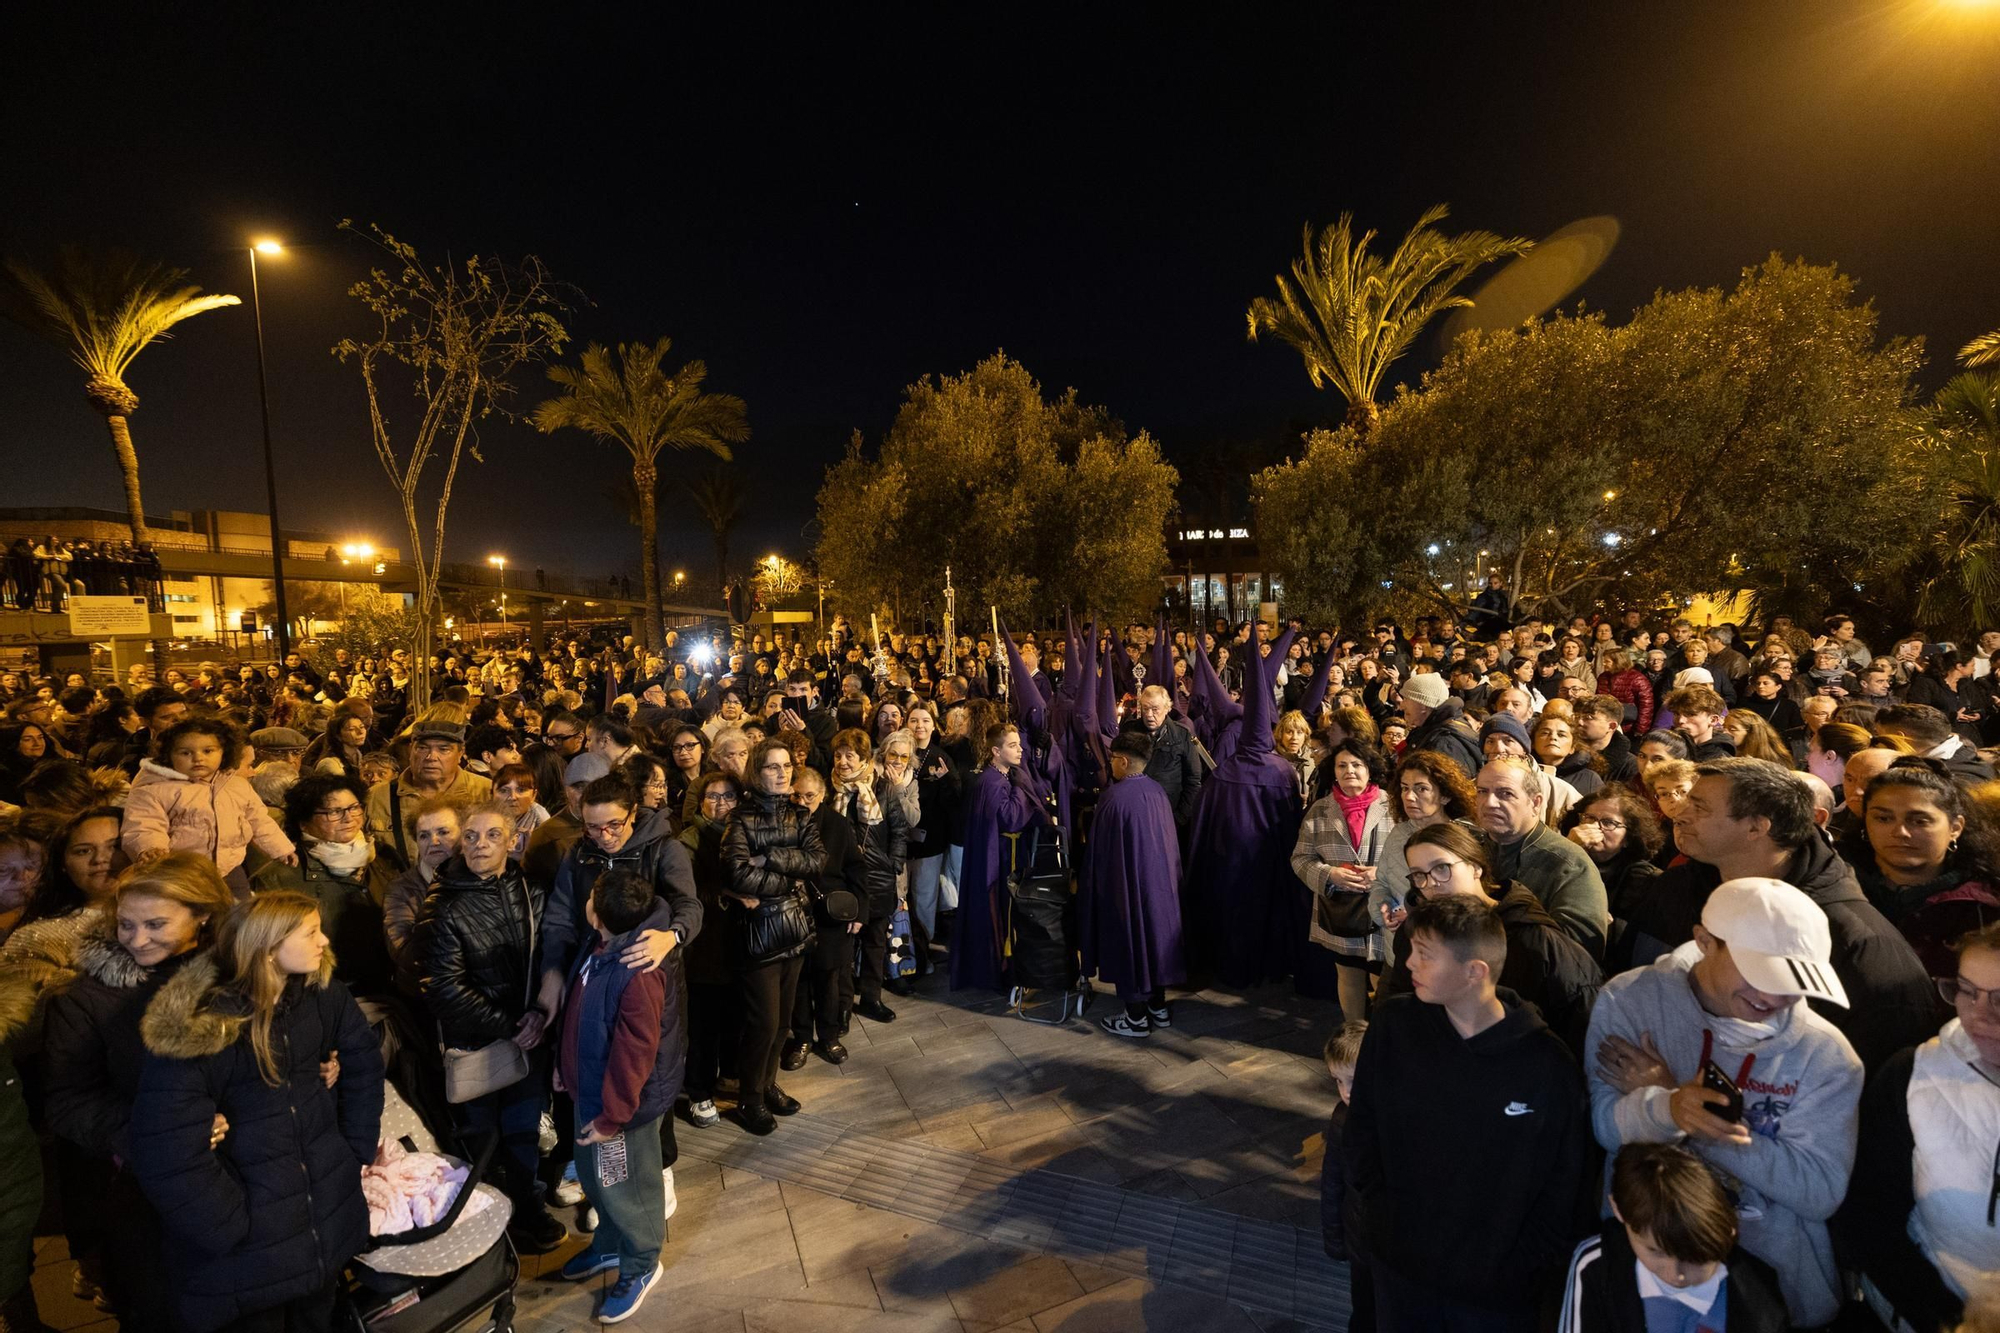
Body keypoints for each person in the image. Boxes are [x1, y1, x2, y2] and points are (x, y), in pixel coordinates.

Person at [1586, 877, 1863, 1329]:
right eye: (1759, 974)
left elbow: (1819, 1191)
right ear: (1704, 941)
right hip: (1649, 1264)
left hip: (1773, 1287)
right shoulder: (1629, 1000)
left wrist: (1683, 1113)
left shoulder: (1826, 1055)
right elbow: (1606, 1127)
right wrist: (1670, 1108)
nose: (1773, 998)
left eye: (1794, 982)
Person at [130, 890, 386, 1333]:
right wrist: (229, 1225)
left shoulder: (321, 994)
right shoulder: (205, 1025)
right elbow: (166, 1147)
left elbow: (363, 1062)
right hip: (249, 1248)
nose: (324, 941)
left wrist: (353, 1151)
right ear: (269, 948)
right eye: (311, 932)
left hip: (322, 1219)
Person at [1345, 893, 1591, 1332]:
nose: (1408, 965)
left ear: (1474, 971)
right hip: (1400, 1271)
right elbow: (1362, 1123)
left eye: (1425, 955)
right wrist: (1382, 1220)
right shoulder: (1394, 1026)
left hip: (1497, 1293)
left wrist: (1523, 1264)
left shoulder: (1545, 1065)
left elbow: (1564, 1180)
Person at [1629, 757, 1937, 1072]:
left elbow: (1880, 1077)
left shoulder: (1859, 941)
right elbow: (1633, 987)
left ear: (1756, 827)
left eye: (1700, 807)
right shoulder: (1675, 889)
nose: (1679, 815)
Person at [38, 854, 234, 1329]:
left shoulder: (242, 973)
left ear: (203, 914)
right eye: (126, 924)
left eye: (155, 923)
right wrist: (156, 1132)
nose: (137, 938)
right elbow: (66, 1099)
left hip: (251, 1173)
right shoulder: (89, 996)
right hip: (151, 1193)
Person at [414, 802, 568, 1254]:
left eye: (493, 836)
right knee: (480, 1137)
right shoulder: (443, 903)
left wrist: (540, 1016)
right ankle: (486, 1217)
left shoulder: (532, 890)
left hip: (530, 1038)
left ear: (513, 841)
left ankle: (526, 1208)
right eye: (472, 836)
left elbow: (553, 954)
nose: (481, 845)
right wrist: (510, 1025)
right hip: (479, 1042)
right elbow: (442, 987)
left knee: (522, 1130)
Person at [1844, 922, 2000, 1332]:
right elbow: (1870, 1218)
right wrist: (1947, 1320)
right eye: (1966, 989)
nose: (1978, 1014)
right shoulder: (1912, 1076)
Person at [551, 868, 676, 1324]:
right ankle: (609, 1245)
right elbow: (578, 1016)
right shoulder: (599, 946)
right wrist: (564, 1071)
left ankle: (641, 1263)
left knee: (628, 1189)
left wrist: (613, 1115)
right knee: (595, 1178)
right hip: (588, 1092)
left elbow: (635, 1053)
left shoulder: (638, 972)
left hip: (619, 1109)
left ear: (596, 913)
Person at [1379, 821, 1602, 1056]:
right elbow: (1401, 1004)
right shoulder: (1414, 934)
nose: (1432, 883)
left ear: (1476, 867)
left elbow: (1583, 1022)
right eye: (1418, 875)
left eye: (1442, 868)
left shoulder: (1537, 940)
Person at [1557, 1143, 1790, 1333]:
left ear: (1727, 1234)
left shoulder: (1760, 1297)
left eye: (1695, 1259)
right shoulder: (1597, 1266)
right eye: (1655, 1251)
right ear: (1619, 1212)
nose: (1675, 1275)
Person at [721, 737, 824, 1135]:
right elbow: (736, 873)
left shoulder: (800, 815)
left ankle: (765, 1086)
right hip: (759, 929)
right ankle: (749, 1098)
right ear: (757, 772)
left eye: (786, 767)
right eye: (771, 767)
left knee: (783, 1021)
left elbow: (816, 861)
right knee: (762, 1021)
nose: (781, 773)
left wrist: (772, 858)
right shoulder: (741, 818)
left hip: (795, 927)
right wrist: (788, 877)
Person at [1850, 757, 2000, 980]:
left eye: (1919, 821)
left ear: (1955, 828)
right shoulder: (1839, 888)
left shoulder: (1985, 907)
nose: (1900, 831)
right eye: (1883, 818)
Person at [1085, 726, 1187, 1037]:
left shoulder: (1113, 797)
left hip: (1126, 887)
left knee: (1130, 944)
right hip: (1160, 888)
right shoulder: (1157, 791)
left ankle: (1135, 1018)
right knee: (1154, 943)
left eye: (1113, 758)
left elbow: (1100, 852)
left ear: (1124, 762)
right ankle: (1158, 1006)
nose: (1111, 764)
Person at [123, 715, 296, 897]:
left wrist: (281, 848)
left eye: (208, 751)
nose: (198, 758)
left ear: (224, 752)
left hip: (229, 868)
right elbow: (144, 824)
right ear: (169, 755)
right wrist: (151, 849)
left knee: (239, 913)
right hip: (183, 872)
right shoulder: (155, 789)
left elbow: (259, 819)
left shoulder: (236, 785)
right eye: (185, 753)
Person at [1293, 737, 1393, 1023]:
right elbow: (1300, 858)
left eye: (1357, 764)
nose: (1350, 770)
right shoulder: (1320, 810)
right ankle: (1354, 1034)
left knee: (1383, 979)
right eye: (1342, 765)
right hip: (1341, 910)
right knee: (1348, 972)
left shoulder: (1394, 806)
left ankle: (1383, 1040)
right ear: (1334, 771)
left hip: (1384, 910)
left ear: (1369, 769)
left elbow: (1412, 855)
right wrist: (1329, 875)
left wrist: (1382, 873)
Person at [1475, 755, 1611, 961]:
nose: (1489, 802)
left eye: (1505, 794)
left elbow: (1578, 955)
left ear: (1535, 803)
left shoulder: (1568, 864)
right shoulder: (1472, 849)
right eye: (1482, 792)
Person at [949, 722, 1046, 993]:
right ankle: (1001, 970)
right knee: (1000, 915)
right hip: (998, 862)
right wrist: (1019, 788)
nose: (1020, 750)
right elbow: (1011, 818)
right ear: (995, 751)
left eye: (1019, 744)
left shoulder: (998, 776)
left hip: (1003, 857)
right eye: (1012, 746)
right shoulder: (993, 781)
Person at [785, 766, 865, 1067]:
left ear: (822, 795)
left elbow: (856, 868)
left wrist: (860, 911)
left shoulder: (837, 824)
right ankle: (802, 1038)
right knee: (800, 981)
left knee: (829, 979)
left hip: (830, 914)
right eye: (797, 795)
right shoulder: (783, 823)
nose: (803, 801)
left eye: (809, 795)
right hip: (794, 914)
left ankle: (829, 1037)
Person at [677, 770, 744, 1122]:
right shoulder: (689, 840)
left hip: (742, 941)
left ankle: (729, 1076)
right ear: (701, 802)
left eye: (729, 796)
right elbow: (683, 895)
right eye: (713, 797)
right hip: (704, 946)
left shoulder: (747, 835)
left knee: (735, 1014)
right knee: (704, 1023)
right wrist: (725, 892)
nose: (721, 804)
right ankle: (698, 1091)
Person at [830, 728, 909, 1021]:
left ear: (864, 757)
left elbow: (900, 829)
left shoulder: (881, 788)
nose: (843, 762)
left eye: (850, 755)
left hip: (877, 877)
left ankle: (872, 997)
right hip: (842, 880)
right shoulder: (831, 790)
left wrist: (893, 863)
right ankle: (843, 1004)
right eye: (838, 755)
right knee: (844, 946)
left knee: (876, 943)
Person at [1562, 785, 1664, 975]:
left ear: (1628, 837)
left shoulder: (1644, 879)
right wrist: (1570, 850)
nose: (1594, 827)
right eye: (1589, 818)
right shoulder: (1570, 855)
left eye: (1608, 822)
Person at [366, 715, 493, 862]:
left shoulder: (485, 791)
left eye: (443, 749)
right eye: (422, 748)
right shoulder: (377, 797)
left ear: (460, 754)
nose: (431, 757)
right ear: (411, 750)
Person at [1319, 1020, 1373, 1333]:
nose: (1346, 1091)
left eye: (1353, 1079)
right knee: (1365, 1312)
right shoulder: (1342, 1119)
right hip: (1359, 1239)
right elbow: (1333, 1182)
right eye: (1338, 1081)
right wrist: (1335, 1240)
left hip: (1393, 1246)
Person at [1875, 703, 1997, 785]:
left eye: (1881, 737)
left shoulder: (1953, 777)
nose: (1878, 744)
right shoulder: (1962, 757)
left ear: (1900, 737)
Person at [1396, 670, 1483, 779]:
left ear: (1423, 703)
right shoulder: (1429, 730)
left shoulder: (1445, 744)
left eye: (1406, 699)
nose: (1402, 706)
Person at [1136, 684, 1202, 825]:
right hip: (1137, 814)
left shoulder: (1182, 735)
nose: (1149, 714)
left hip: (1169, 816)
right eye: (1145, 708)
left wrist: (1180, 818)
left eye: (1155, 709)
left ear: (1167, 709)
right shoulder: (1130, 731)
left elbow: (1193, 780)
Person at [1664, 685, 1735, 762]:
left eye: (1690, 714)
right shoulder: (1663, 748)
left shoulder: (1722, 762)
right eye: (1676, 714)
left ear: (1713, 720)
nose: (1681, 720)